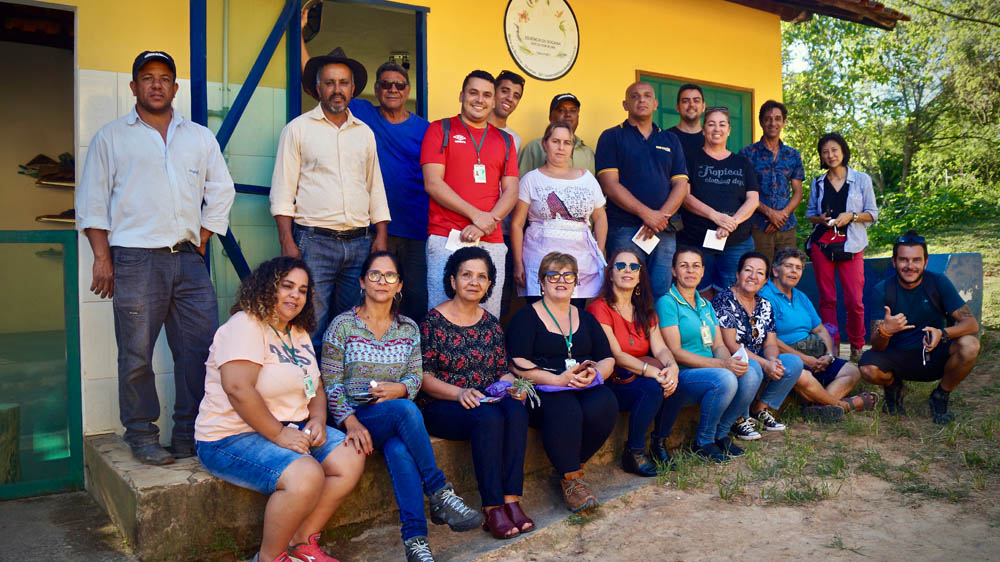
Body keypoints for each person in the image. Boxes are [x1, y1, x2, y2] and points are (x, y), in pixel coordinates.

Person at [76, 50, 235, 465]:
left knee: (200, 351)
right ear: (134, 87)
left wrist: (201, 237)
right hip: (134, 260)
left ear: (175, 88)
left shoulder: (198, 136)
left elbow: (222, 190)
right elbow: (92, 202)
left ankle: (190, 434)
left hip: (188, 260)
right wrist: (101, 258)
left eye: (164, 78)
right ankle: (142, 434)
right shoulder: (112, 137)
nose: (157, 84)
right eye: (147, 77)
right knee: (135, 354)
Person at [195, 257, 363, 562]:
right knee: (305, 474)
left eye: (302, 290)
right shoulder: (245, 325)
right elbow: (238, 389)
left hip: (291, 426)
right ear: (265, 287)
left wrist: (319, 419)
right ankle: (270, 558)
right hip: (230, 437)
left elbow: (316, 386)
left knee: (351, 455)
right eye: (286, 286)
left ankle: (302, 542)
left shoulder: (296, 333)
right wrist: (279, 434)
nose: (295, 295)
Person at [321, 251, 482, 562]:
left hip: (393, 422)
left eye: (390, 276)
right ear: (362, 282)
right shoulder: (342, 325)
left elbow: (414, 375)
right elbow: (330, 383)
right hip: (358, 417)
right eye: (375, 275)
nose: (383, 281)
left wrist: (402, 387)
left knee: (398, 448)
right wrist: (350, 423)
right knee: (407, 410)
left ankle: (415, 541)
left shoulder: (408, 328)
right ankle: (439, 491)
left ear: (399, 286)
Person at [300, 12, 431, 323]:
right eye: (386, 84)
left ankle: (409, 361)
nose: (393, 90)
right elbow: (314, 82)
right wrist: (299, 36)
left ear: (408, 89)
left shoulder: (426, 129)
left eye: (399, 84)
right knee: (367, 301)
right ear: (375, 87)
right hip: (374, 231)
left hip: (415, 229)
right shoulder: (360, 113)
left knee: (414, 299)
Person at [271, 46, 390, 349]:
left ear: (352, 89)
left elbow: (374, 186)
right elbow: (283, 190)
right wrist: (287, 242)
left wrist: (380, 237)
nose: (337, 90)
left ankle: (342, 394)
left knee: (351, 325)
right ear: (318, 88)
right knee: (310, 323)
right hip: (314, 242)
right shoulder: (297, 130)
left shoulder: (364, 133)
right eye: (330, 83)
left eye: (343, 83)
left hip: (359, 242)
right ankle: (309, 393)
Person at [419, 247, 533, 540]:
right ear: (453, 280)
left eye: (482, 277)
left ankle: (511, 499)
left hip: (484, 400)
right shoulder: (432, 322)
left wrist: (515, 386)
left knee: (516, 410)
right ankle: (492, 507)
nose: (474, 281)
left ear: (489, 285)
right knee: (489, 418)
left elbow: (500, 371)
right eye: (466, 275)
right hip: (443, 404)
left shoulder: (491, 324)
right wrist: (458, 393)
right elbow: (423, 377)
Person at [506, 252, 618, 512]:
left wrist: (595, 374)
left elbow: (607, 358)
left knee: (605, 402)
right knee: (564, 407)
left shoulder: (586, 318)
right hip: (543, 388)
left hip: (581, 385)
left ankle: (571, 464)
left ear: (576, 282)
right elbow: (516, 363)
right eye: (553, 275)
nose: (561, 280)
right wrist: (557, 379)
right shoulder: (526, 318)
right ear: (541, 282)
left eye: (568, 275)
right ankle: (572, 480)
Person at [420, 70, 519, 317]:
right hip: (446, 236)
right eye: (473, 93)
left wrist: (487, 223)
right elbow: (433, 183)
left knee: (488, 315)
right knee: (442, 314)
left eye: (487, 95)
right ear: (461, 95)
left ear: (494, 100)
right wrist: (477, 216)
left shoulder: (505, 141)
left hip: (491, 240)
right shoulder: (439, 129)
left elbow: (511, 190)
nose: (479, 100)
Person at [860, 231, 981, 424]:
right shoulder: (882, 290)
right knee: (867, 368)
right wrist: (886, 331)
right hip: (898, 356)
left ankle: (940, 395)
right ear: (894, 262)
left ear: (925, 262)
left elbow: (971, 324)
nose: (910, 266)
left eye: (916, 260)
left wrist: (942, 333)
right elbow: (877, 346)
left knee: (970, 345)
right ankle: (894, 387)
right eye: (904, 260)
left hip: (934, 354)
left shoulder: (938, 282)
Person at [656, 247, 755, 463]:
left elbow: (718, 344)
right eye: (684, 266)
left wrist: (730, 360)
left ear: (702, 272)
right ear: (673, 270)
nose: (690, 271)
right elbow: (675, 352)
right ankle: (703, 441)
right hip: (684, 373)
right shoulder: (667, 302)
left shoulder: (706, 304)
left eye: (695, 266)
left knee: (752, 371)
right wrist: (721, 365)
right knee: (726, 378)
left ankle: (721, 434)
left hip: (712, 368)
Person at [587, 248, 680, 475]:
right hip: (612, 381)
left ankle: (658, 445)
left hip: (637, 375)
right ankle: (634, 453)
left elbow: (661, 348)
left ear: (640, 275)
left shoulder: (645, 310)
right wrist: (652, 372)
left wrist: (672, 367)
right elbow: (616, 354)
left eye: (633, 267)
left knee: (677, 383)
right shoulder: (599, 308)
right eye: (620, 266)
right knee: (651, 387)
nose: (627, 270)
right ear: (610, 275)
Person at [596, 81, 689, 299]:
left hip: (663, 230)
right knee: (624, 291)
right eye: (635, 96)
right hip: (625, 229)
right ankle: (626, 334)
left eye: (647, 96)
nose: (642, 100)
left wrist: (661, 217)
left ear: (655, 103)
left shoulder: (670, 139)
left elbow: (681, 185)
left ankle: (655, 332)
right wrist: (647, 214)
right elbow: (609, 183)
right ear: (625, 104)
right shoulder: (611, 137)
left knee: (660, 292)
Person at [759, 248, 874, 422]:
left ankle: (820, 406)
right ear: (775, 270)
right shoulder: (765, 297)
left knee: (853, 371)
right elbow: (769, 339)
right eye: (789, 266)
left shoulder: (800, 296)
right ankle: (845, 405)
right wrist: (805, 360)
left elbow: (820, 329)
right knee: (803, 377)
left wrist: (828, 354)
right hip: (786, 355)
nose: (793, 271)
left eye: (798, 268)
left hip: (814, 352)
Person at [511, 121, 608, 306]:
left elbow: (600, 216)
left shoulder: (587, 178)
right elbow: (517, 224)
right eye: (556, 141)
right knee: (541, 317)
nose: (561, 147)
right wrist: (518, 263)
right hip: (539, 262)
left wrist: (600, 253)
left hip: (581, 262)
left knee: (574, 318)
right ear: (545, 144)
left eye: (567, 142)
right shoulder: (531, 179)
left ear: (572, 146)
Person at [712, 252, 802, 439]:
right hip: (732, 357)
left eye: (760, 273)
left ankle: (759, 409)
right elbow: (730, 343)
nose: (753, 276)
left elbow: (770, 342)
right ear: (738, 274)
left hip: (759, 358)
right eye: (748, 270)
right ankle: (737, 419)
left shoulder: (765, 305)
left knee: (793, 362)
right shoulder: (724, 300)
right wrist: (764, 363)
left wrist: (772, 360)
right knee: (753, 368)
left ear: (765, 280)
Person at [805, 132, 878, 362]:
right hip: (823, 245)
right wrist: (821, 219)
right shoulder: (817, 183)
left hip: (852, 245)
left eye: (834, 150)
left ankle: (857, 347)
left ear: (843, 151)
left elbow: (872, 215)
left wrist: (852, 216)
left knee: (854, 300)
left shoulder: (861, 180)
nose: (830, 155)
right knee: (827, 299)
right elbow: (810, 215)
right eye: (825, 152)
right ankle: (832, 347)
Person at [677, 107, 760, 300]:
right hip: (696, 240)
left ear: (729, 130)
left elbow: (753, 199)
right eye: (711, 124)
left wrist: (731, 223)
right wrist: (716, 216)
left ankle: (730, 331)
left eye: (722, 124)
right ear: (704, 130)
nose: (717, 129)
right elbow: (684, 196)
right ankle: (707, 331)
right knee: (698, 293)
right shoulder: (689, 160)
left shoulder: (742, 163)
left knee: (735, 294)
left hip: (737, 241)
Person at [739, 100, 804, 264]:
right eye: (768, 119)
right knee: (759, 274)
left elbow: (797, 192)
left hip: (787, 227)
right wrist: (770, 214)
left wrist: (781, 216)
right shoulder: (747, 154)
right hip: (758, 227)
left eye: (777, 118)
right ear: (761, 122)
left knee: (787, 271)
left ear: (783, 122)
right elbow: (742, 191)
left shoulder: (792, 155)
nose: (772, 123)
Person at [519, 93, 595, 175]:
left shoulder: (587, 153)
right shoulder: (533, 148)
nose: (568, 114)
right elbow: (522, 183)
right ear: (550, 117)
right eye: (561, 110)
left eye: (573, 111)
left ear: (578, 117)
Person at [487, 70, 525, 153]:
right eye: (504, 91)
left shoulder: (515, 139)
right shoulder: (473, 127)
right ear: (493, 92)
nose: (510, 98)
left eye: (516, 96)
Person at [666, 83, 706, 158]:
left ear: (703, 107)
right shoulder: (666, 137)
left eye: (696, 101)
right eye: (685, 101)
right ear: (677, 107)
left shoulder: (711, 139)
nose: (691, 105)